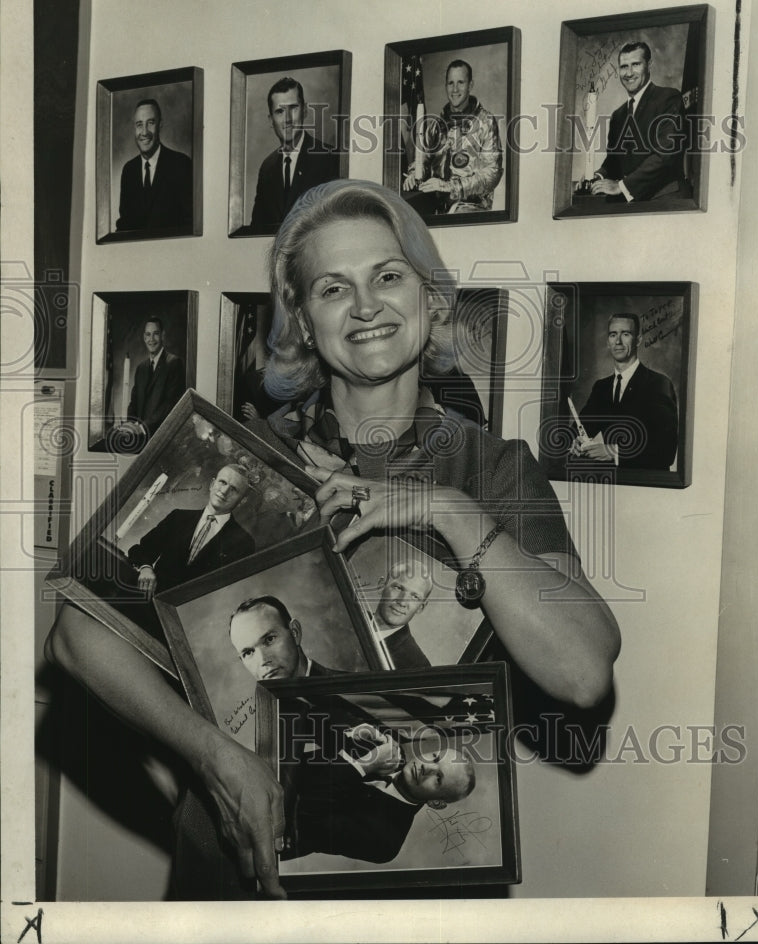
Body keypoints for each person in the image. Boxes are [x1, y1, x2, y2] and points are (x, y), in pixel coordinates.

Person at [46, 179, 619, 901]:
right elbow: (76, 636)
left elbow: (581, 672)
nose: (366, 306)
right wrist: (213, 757)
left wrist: (446, 510)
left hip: (405, 885)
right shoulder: (242, 453)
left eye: (387, 275)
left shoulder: (493, 469)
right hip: (237, 876)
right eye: (331, 288)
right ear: (301, 321)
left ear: (429, 296)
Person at [285, 732, 475, 863]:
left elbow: (303, 812)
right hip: (268, 765)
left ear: (436, 802)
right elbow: (315, 718)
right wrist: (355, 732)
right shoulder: (388, 752)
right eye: (434, 757)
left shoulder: (386, 840)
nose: (427, 767)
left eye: (438, 778)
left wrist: (365, 766)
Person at [569, 313, 679, 471]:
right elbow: (580, 429)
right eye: (613, 335)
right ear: (608, 342)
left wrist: (614, 452)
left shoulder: (659, 384)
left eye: (625, 334)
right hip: (607, 485)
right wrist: (576, 442)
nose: (618, 342)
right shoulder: (601, 387)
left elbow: (666, 452)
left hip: (646, 487)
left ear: (638, 340)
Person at [127, 464, 256, 598]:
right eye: (222, 482)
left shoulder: (244, 543)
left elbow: (228, 593)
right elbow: (140, 551)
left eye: (234, 489)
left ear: (242, 500)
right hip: (149, 599)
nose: (224, 491)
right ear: (212, 484)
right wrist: (146, 568)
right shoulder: (178, 517)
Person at [591, 41, 690, 202]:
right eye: (624, 67)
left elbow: (665, 156)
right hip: (636, 202)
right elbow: (615, 159)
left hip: (667, 199)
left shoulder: (669, 99)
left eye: (635, 64)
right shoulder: (618, 115)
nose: (629, 73)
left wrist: (621, 186)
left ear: (649, 65)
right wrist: (598, 176)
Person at [402, 59, 502, 214]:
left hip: (471, 206)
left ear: (470, 85)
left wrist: (450, 187)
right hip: (435, 204)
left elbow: (492, 173)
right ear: (445, 86)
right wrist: (413, 173)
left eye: (460, 82)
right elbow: (423, 158)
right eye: (450, 83)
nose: (455, 89)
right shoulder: (437, 125)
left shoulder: (485, 122)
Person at [249, 77, 339, 233]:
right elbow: (257, 229)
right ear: (271, 121)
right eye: (280, 111)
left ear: (304, 111)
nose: (287, 119)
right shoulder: (267, 168)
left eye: (293, 108)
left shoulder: (330, 157)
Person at [116, 98, 193, 231]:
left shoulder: (181, 164)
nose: (144, 132)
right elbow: (124, 224)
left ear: (160, 125)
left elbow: (190, 223)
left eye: (150, 123)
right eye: (139, 124)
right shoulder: (129, 170)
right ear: (134, 128)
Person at [229, 595, 335, 680]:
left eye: (269, 640)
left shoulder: (348, 691)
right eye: (248, 652)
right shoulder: (262, 706)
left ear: (295, 632)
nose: (263, 660)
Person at [122, 316, 186, 439]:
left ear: (163, 335)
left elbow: (170, 405)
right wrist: (130, 423)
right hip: (139, 437)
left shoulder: (174, 363)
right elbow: (134, 402)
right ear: (144, 337)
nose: (151, 339)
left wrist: (142, 427)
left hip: (161, 438)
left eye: (155, 334)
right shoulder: (141, 368)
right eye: (148, 334)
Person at [373, 559, 433, 669]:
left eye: (415, 597)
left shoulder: (417, 666)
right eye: (398, 588)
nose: (402, 601)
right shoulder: (346, 616)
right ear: (381, 586)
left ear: (421, 607)